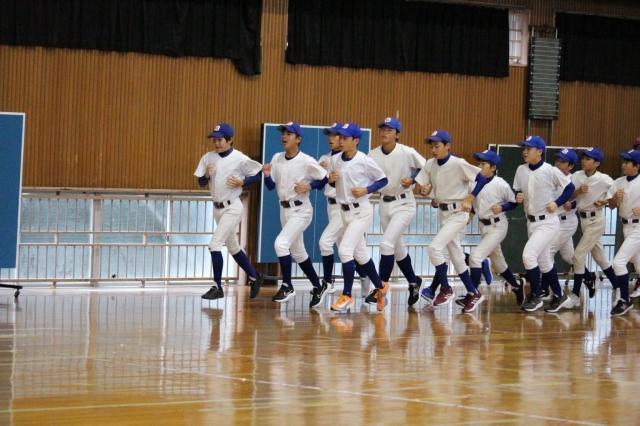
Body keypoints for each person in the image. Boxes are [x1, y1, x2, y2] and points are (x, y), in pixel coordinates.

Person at [414, 130, 488, 313]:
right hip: (443, 213)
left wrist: (469, 199)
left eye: (437, 146)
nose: (433, 149)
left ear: (447, 146)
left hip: (459, 212)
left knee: (434, 248)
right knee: (456, 256)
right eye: (432, 146)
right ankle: (473, 292)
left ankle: (446, 289)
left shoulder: (458, 163)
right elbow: (425, 186)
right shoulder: (430, 164)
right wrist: (425, 191)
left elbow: (482, 178)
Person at [194, 123, 265, 300]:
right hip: (217, 208)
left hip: (232, 207)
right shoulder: (208, 157)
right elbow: (201, 183)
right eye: (214, 140)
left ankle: (217, 287)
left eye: (220, 140)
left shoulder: (239, 158)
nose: (216, 143)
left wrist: (242, 182)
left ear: (230, 140)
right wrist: (206, 175)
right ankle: (255, 277)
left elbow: (257, 174)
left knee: (214, 244)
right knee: (233, 246)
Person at [262, 122, 328, 304]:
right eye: (283, 133)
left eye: (289, 134)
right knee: (298, 252)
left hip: (301, 209)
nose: (284, 136)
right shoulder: (277, 158)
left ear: (298, 139)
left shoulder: (306, 160)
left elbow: (324, 178)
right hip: (284, 209)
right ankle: (318, 286)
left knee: (281, 244)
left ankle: (287, 286)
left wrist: (309, 186)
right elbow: (270, 186)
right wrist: (267, 175)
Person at [327, 122, 390, 313]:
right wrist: (330, 180)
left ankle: (347, 295)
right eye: (340, 137)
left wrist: (367, 189)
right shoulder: (335, 159)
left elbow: (383, 179)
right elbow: (333, 183)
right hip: (344, 211)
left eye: (345, 138)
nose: (341, 141)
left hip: (361, 211)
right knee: (360, 255)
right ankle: (381, 287)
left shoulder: (364, 160)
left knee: (345, 250)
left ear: (356, 141)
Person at [366, 117, 425, 307]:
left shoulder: (407, 151)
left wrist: (413, 179)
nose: (384, 132)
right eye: (382, 129)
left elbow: (426, 168)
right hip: (384, 203)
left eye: (389, 130)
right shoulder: (372, 154)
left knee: (385, 244)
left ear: (397, 135)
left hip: (404, 203)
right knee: (398, 250)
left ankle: (380, 288)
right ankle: (414, 282)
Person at [513, 136, 575, 313]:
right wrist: (516, 195)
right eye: (524, 148)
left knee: (529, 256)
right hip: (531, 221)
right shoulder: (521, 170)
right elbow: (516, 189)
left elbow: (570, 187)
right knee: (544, 262)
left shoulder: (550, 170)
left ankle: (535, 295)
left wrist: (557, 202)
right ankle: (560, 295)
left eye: (529, 148)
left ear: (539, 151)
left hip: (548, 222)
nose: (525, 151)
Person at [317, 122, 369, 301]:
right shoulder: (325, 158)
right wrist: (322, 173)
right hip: (331, 206)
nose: (331, 139)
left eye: (335, 135)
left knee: (327, 243)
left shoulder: (353, 158)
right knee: (350, 249)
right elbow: (319, 184)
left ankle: (329, 282)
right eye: (330, 135)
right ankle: (366, 275)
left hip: (345, 207)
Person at [467, 149, 525, 308]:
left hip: (498, 225)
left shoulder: (500, 183)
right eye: (479, 163)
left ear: (493, 167)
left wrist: (502, 207)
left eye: (484, 164)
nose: (480, 166)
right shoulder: (474, 182)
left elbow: (513, 202)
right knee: (498, 264)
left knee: (475, 258)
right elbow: (474, 202)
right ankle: (517, 286)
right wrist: (471, 213)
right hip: (483, 225)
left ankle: (472, 295)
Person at [539, 149, 594, 300]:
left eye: (562, 162)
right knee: (569, 256)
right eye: (557, 160)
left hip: (566, 222)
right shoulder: (551, 177)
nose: (558, 163)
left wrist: (573, 204)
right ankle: (589, 277)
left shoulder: (573, 180)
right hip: (553, 221)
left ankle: (545, 289)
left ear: (571, 166)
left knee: (547, 252)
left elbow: (584, 199)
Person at [567, 147, 618, 308]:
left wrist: (605, 201)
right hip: (583, 219)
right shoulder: (577, 176)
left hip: (596, 220)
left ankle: (575, 295)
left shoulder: (604, 179)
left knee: (578, 256)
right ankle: (618, 288)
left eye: (588, 159)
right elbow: (568, 196)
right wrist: (577, 191)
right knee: (600, 258)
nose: (584, 161)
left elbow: (618, 195)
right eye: (583, 158)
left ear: (597, 163)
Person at [605, 149, 640, 315]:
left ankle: (625, 300)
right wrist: (615, 198)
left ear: (637, 166)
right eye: (624, 161)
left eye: (627, 162)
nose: (623, 164)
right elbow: (611, 206)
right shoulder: (618, 182)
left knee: (619, 263)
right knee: (638, 264)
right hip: (626, 226)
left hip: (639, 227)